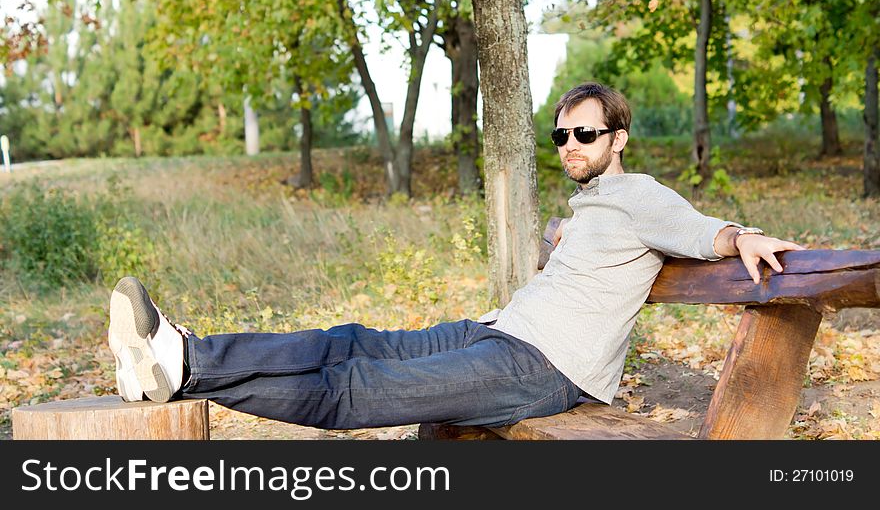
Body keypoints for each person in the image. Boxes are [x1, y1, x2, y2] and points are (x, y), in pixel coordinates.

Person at [108, 82, 805, 429]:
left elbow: (697, 227)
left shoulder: (641, 192)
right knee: (348, 340)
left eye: (585, 133)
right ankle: (184, 356)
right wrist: (559, 238)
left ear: (617, 137)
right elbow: (591, 246)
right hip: (497, 333)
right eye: (560, 135)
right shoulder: (594, 206)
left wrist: (740, 236)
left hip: (545, 368)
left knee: (359, 386)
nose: (569, 145)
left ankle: (182, 370)